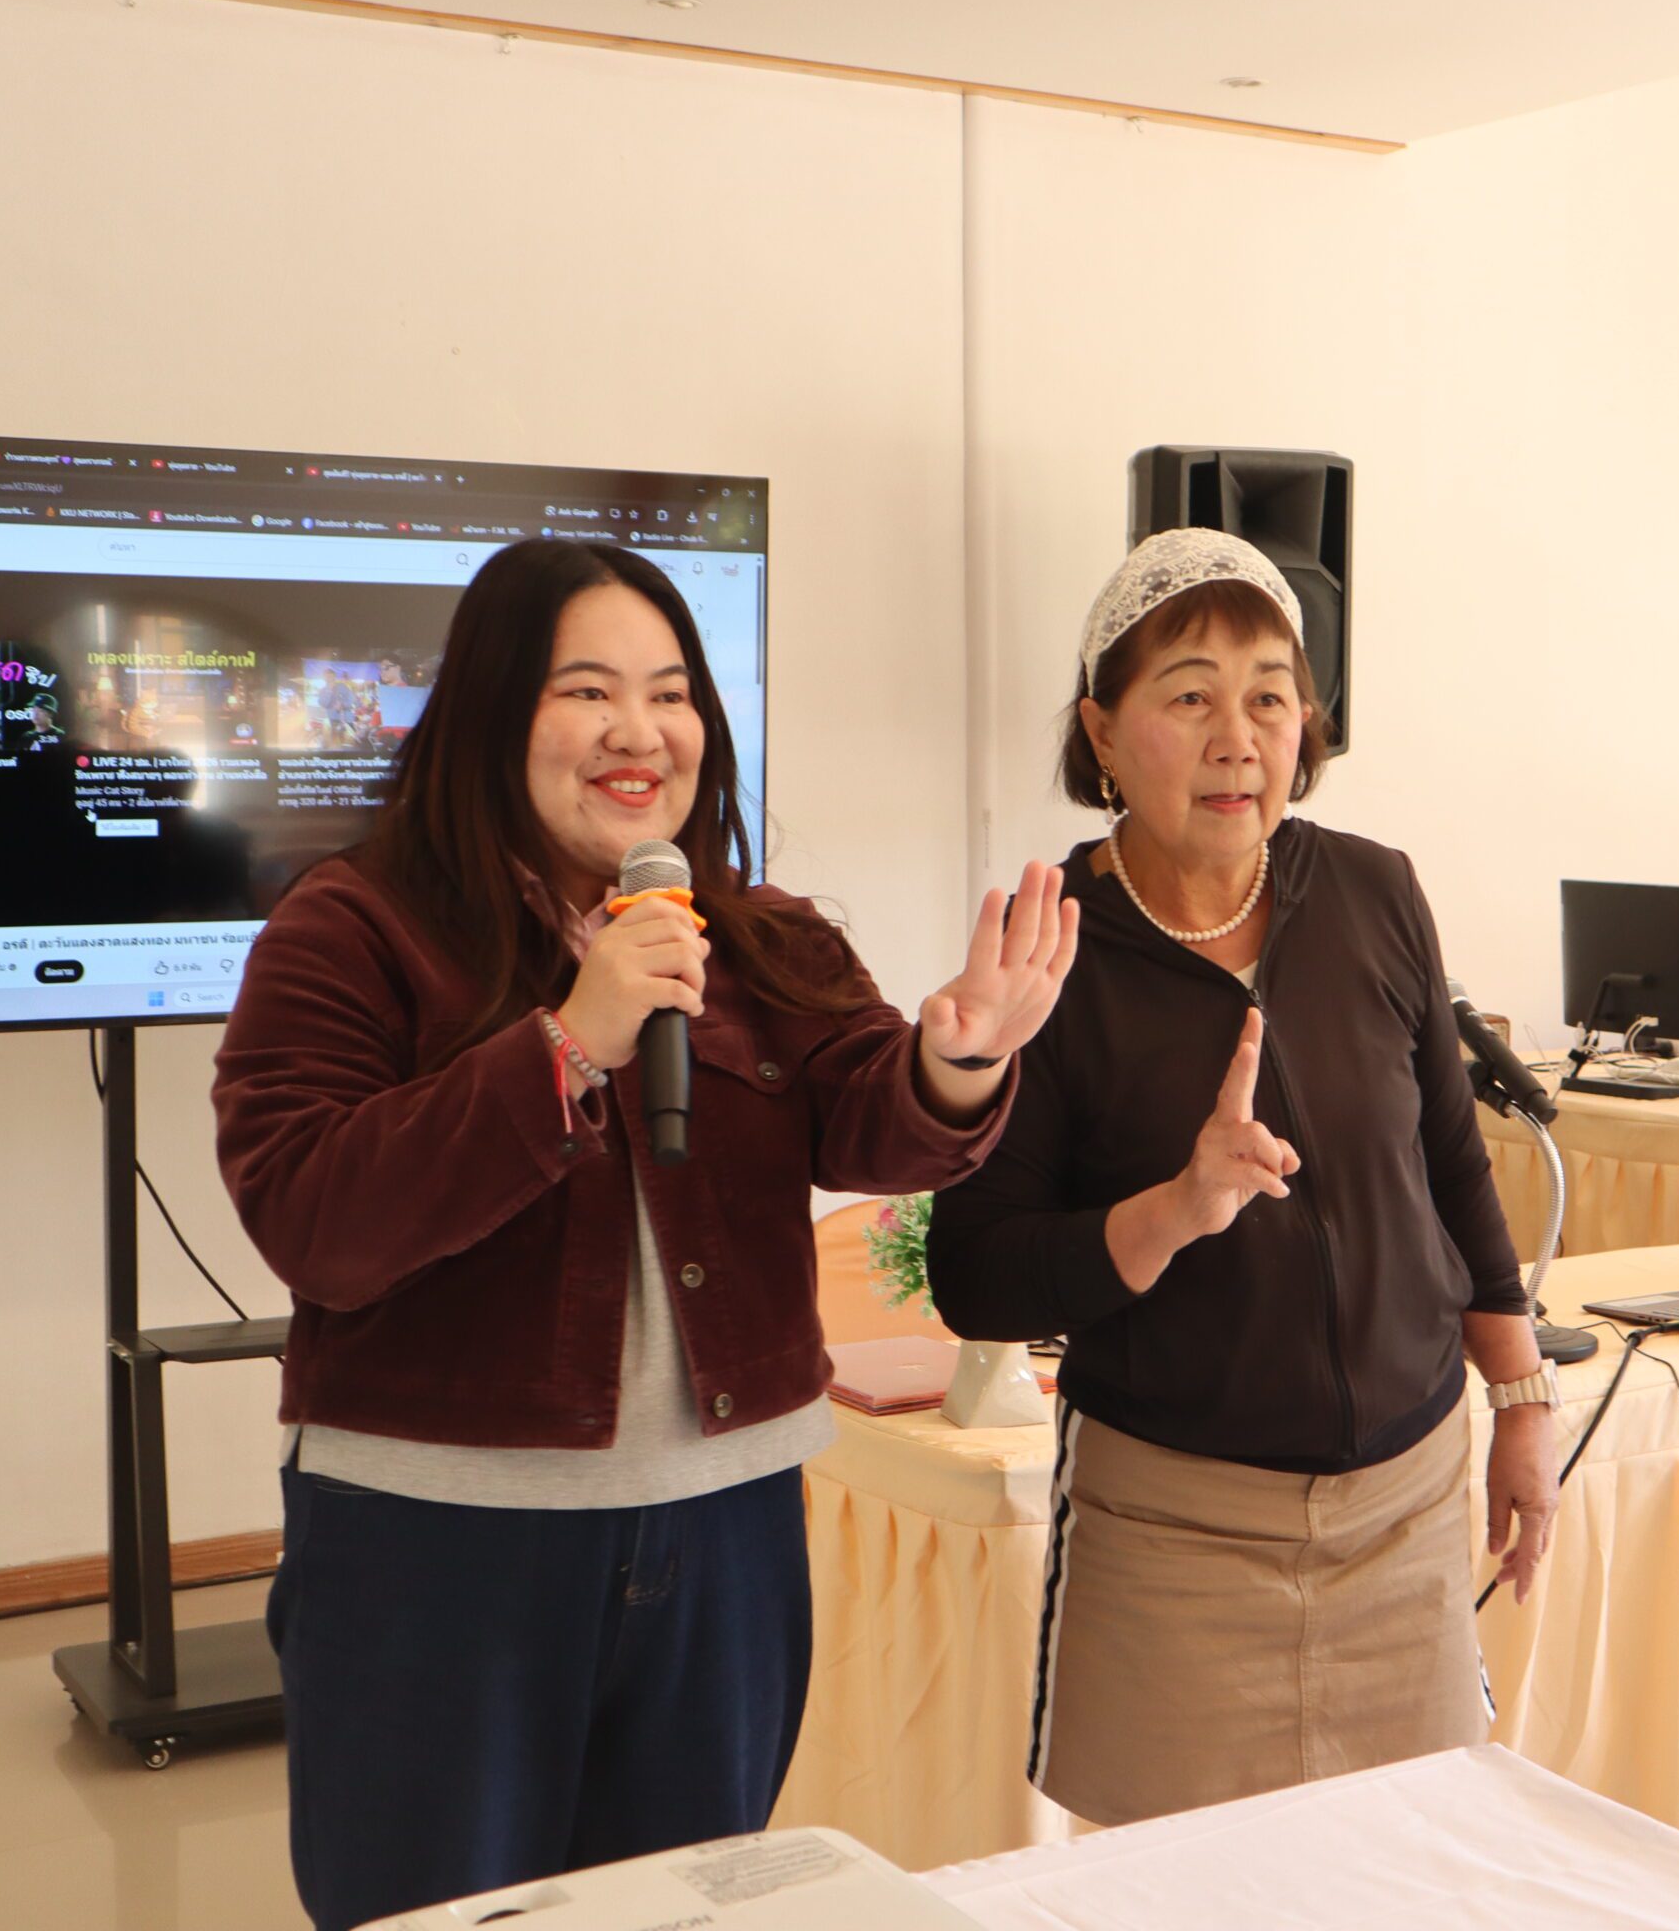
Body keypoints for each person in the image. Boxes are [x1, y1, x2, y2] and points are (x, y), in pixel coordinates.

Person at [211, 539, 1078, 1931]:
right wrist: (569, 1040)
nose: (641, 732)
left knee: (682, 1907)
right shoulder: (353, 926)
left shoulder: (759, 935)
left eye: (671, 694)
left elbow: (874, 1115)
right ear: (494, 713)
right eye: (589, 691)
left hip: (726, 1533)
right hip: (444, 1544)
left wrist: (957, 1058)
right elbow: (315, 1216)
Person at [925, 527, 1559, 1829]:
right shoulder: (1054, 951)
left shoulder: (1375, 892)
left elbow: (1451, 1164)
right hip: (1174, 1538)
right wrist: (1175, 1211)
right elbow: (976, 1276)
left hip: (1406, 1507)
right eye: (1190, 696)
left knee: (1403, 1878)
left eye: (1271, 696)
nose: (1238, 738)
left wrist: (1522, 1403)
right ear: (1103, 733)